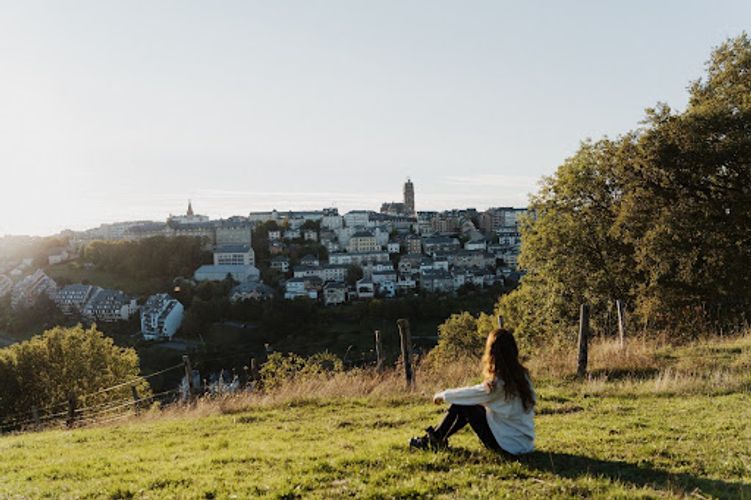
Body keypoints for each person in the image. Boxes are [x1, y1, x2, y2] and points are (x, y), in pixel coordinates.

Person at [409, 328, 535, 455]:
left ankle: (433, 440)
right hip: (524, 444)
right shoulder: (523, 376)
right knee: (469, 404)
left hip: (507, 446)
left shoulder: (498, 383)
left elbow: (469, 394)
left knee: (463, 403)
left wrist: (442, 395)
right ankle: (437, 438)